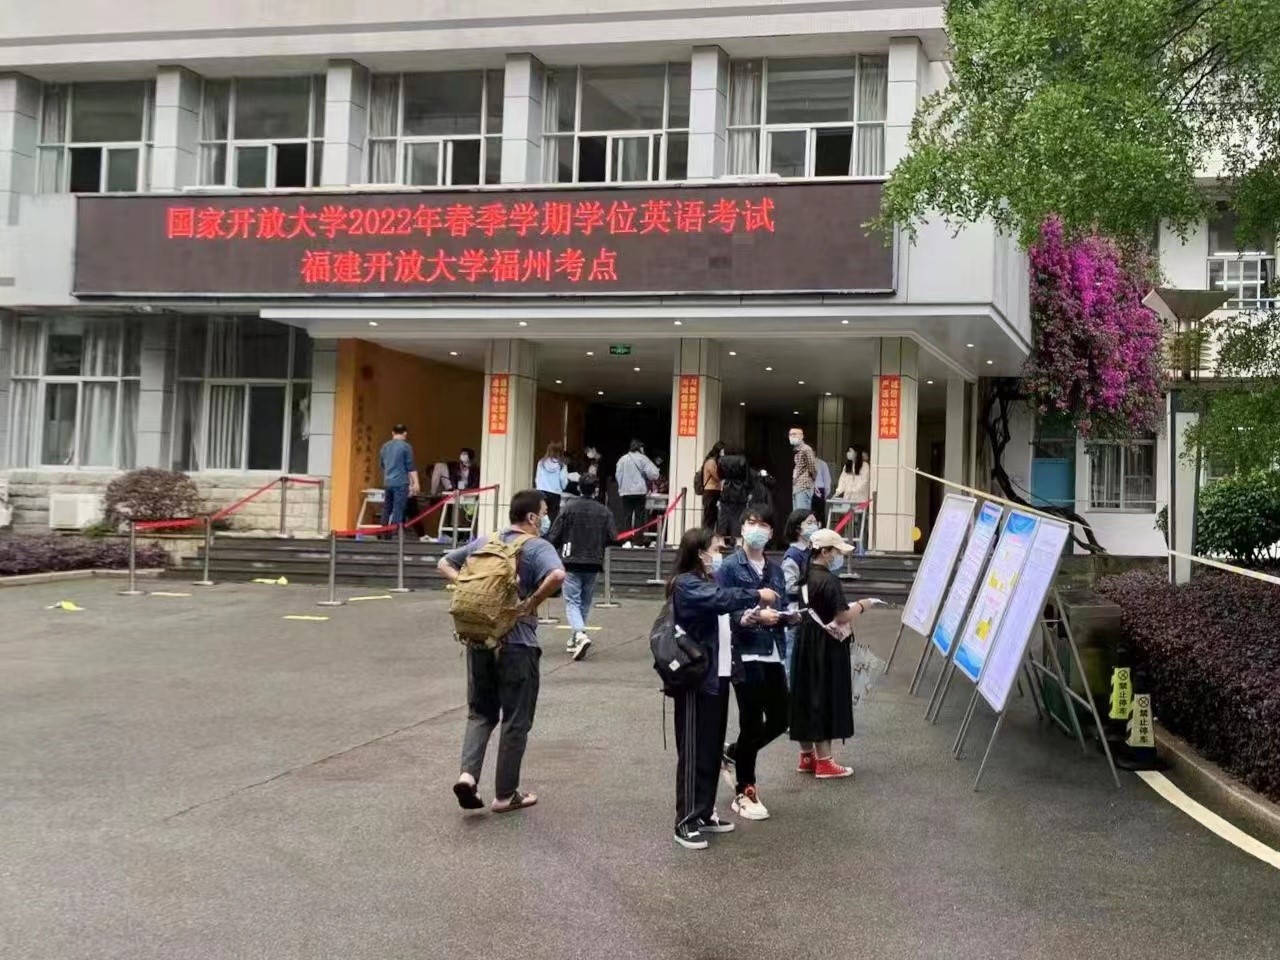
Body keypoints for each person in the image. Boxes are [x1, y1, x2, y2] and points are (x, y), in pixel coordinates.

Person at [438, 490, 566, 814]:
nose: (546, 518)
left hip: (480, 640)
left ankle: (468, 777)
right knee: (515, 719)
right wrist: (530, 603)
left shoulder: (487, 541)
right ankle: (506, 794)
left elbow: (444, 562)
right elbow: (557, 575)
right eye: (544, 513)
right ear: (532, 517)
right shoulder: (537, 546)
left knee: (480, 713)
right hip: (518, 645)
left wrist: (466, 585)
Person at [668, 527, 779, 850]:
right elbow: (721, 600)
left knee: (711, 747)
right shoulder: (686, 583)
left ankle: (704, 812)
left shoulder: (707, 581)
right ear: (699, 552)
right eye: (715, 549)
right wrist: (757, 594)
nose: (719, 555)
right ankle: (686, 820)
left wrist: (748, 619)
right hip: (695, 678)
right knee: (693, 749)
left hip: (718, 675)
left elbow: (721, 615)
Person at [717, 507, 795, 821]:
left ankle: (734, 752)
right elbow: (723, 605)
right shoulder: (729, 567)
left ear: (771, 533)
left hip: (772, 650)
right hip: (744, 651)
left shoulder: (775, 570)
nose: (757, 528)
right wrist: (753, 615)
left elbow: (783, 603)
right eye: (752, 522)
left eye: (764, 524)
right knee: (751, 721)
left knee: (781, 718)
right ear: (742, 527)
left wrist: (788, 617)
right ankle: (745, 789)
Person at [790, 528, 877, 779]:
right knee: (823, 695)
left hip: (805, 641)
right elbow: (842, 615)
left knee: (806, 694)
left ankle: (807, 755)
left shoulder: (806, 575)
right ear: (826, 552)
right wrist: (863, 605)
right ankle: (825, 761)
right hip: (825, 645)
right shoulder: (829, 580)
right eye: (836, 551)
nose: (839, 556)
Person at [547, 476, 617, 661]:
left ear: (579, 488)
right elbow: (613, 537)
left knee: (572, 601)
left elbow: (555, 535)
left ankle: (578, 634)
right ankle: (576, 636)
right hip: (594, 559)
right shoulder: (604, 511)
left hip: (571, 558)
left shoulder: (568, 508)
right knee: (585, 601)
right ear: (596, 490)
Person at [779, 508, 820, 682]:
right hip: (796, 612)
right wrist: (813, 587)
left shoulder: (812, 551)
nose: (814, 526)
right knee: (792, 657)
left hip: (811, 613)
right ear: (797, 528)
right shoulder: (793, 555)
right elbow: (789, 587)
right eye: (809, 523)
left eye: (815, 522)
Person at [379, 424, 419, 531]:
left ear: (392, 433)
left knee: (387, 508)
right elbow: (410, 467)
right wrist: (416, 483)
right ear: (405, 433)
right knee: (398, 509)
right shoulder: (406, 447)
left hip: (388, 482)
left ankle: (383, 532)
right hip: (401, 482)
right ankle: (394, 532)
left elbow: (382, 464)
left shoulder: (385, 447)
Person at [615, 439, 660, 533]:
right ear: (639, 448)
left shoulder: (622, 459)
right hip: (639, 491)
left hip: (626, 492)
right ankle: (638, 538)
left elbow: (618, 475)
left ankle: (627, 538)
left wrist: (621, 487)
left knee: (627, 516)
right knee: (639, 516)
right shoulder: (643, 458)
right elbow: (654, 474)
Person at [834, 447, 871, 547]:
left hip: (860, 499)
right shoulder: (847, 466)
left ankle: (861, 546)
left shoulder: (865, 466)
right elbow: (842, 480)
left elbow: (864, 482)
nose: (848, 453)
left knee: (859, 523)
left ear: (856, 453)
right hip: (848, 499)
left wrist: (853, 490)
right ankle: (849, 545)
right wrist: (838, 491)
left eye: (850, 451)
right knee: (848, 522)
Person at [715, 446, 750, 541]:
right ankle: (736, 539)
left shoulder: (721, 460)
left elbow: (719, 475)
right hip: (740, 491)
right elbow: (746, 476)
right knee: (738, 516)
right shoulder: (743, 460)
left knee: (723, 516)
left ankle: (721, 539)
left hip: (726, 490)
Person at [535, 442, 569, 522]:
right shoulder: (562, 465)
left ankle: (541, 529)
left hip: (541, 492)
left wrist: (538, 487)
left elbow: (537, 478)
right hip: (555, 494)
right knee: (553, 517)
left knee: (541, 515)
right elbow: (563, 479)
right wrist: (563, 487)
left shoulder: (541, 463)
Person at [788, 426, 818, 512]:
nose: (792, 436)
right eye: (790, 434)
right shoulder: (796, 450)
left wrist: (812, 481)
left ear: (801, 436)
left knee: (802, 513)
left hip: (804, 486)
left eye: (794, 434)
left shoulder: (806, 449)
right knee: (796, 514)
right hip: (797, 486)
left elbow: (812, 468)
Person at [701, 441, 725, 530]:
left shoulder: (716, 461)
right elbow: (717, 476)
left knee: (714, 517)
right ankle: (706, 535)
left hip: (715, 491)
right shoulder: (711, 462)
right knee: (709, 517)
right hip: (710, 491)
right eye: (723, 451)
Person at [813, 455, 832, 524]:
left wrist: (825, 494)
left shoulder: (822, 463)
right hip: (807, 490)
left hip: (819, 490)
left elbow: (827, 479)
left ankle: (821, 528)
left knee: (819, 514)